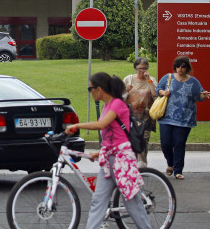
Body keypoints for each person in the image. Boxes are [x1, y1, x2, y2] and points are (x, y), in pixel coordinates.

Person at [65, 72, 152, 229]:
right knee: (98, 201)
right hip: (109, 160)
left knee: (132, 201)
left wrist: (77, 126)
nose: (90, 92)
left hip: (122, 160)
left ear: (99, 89)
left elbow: (102, 125)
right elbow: (111, 136)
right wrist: (99, 153)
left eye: (90, 88)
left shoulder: (117, 104)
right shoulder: (107, 106)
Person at [156, 56, 210, 180]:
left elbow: (199, 97)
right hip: (166, 117)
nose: (180, 68)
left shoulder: (193, 82)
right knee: (165, 144)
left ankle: (178, 171)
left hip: (184, 118)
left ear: (187, 68)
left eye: (183, 66)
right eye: (178, 66)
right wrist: (163, 93)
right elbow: (157, 88)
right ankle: (170, 163)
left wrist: (204, 96)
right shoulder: (168, 78)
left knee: (179, 144)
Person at [123, 57, 157, 168]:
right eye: (140, 68)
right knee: (130, 141)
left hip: (146, 117)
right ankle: (131, 166)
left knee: (143, 141)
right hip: (130, 116)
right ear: (135, 68)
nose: (142, 70)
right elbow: (120, 97)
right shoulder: (128, 79)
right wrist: (126, 90)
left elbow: (155, 94)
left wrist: (149, 80)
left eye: (145, 68)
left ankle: (142, 166)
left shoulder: (151, 79)